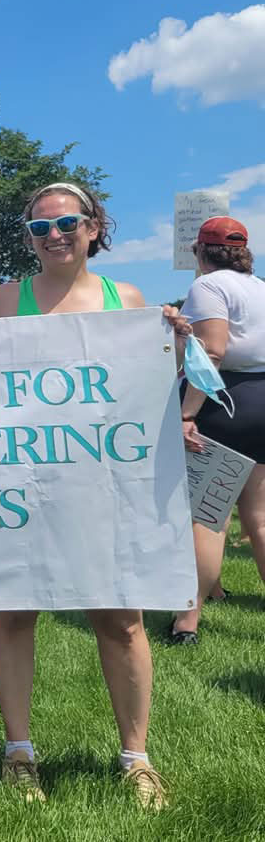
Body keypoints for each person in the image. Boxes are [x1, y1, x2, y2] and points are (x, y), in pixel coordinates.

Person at [0, 181, 165, 809]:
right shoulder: (5, 302)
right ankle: (19, 751)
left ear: (93, 227)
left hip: (103, 484)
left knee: (121, 619)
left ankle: (136, 758)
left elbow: (144, 390)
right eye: (39, 227)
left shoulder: (127, 299)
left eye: (66, 223)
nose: (54, 235)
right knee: (13, 613)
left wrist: (173, 346)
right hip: (19, 484)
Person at [169, 217, 265, 645]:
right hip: (261, 399)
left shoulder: (207, 286)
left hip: (224, 403)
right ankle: (216, 593)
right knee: (260, 517)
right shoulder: (259, 287)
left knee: (209, 519)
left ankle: (186, 623)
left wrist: (187, 414)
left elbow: (212, 350)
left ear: (200, 252)